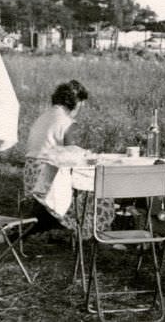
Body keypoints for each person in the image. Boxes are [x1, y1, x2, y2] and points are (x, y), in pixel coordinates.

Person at [22, 80, 114, 237]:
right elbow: (71, 154)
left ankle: (53, 227)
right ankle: (90, 231)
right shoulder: (67, 123)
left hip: (31, 173)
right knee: (97, 191)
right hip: (47, 176)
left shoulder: (45, 116)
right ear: (76, 103)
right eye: (80, 106)